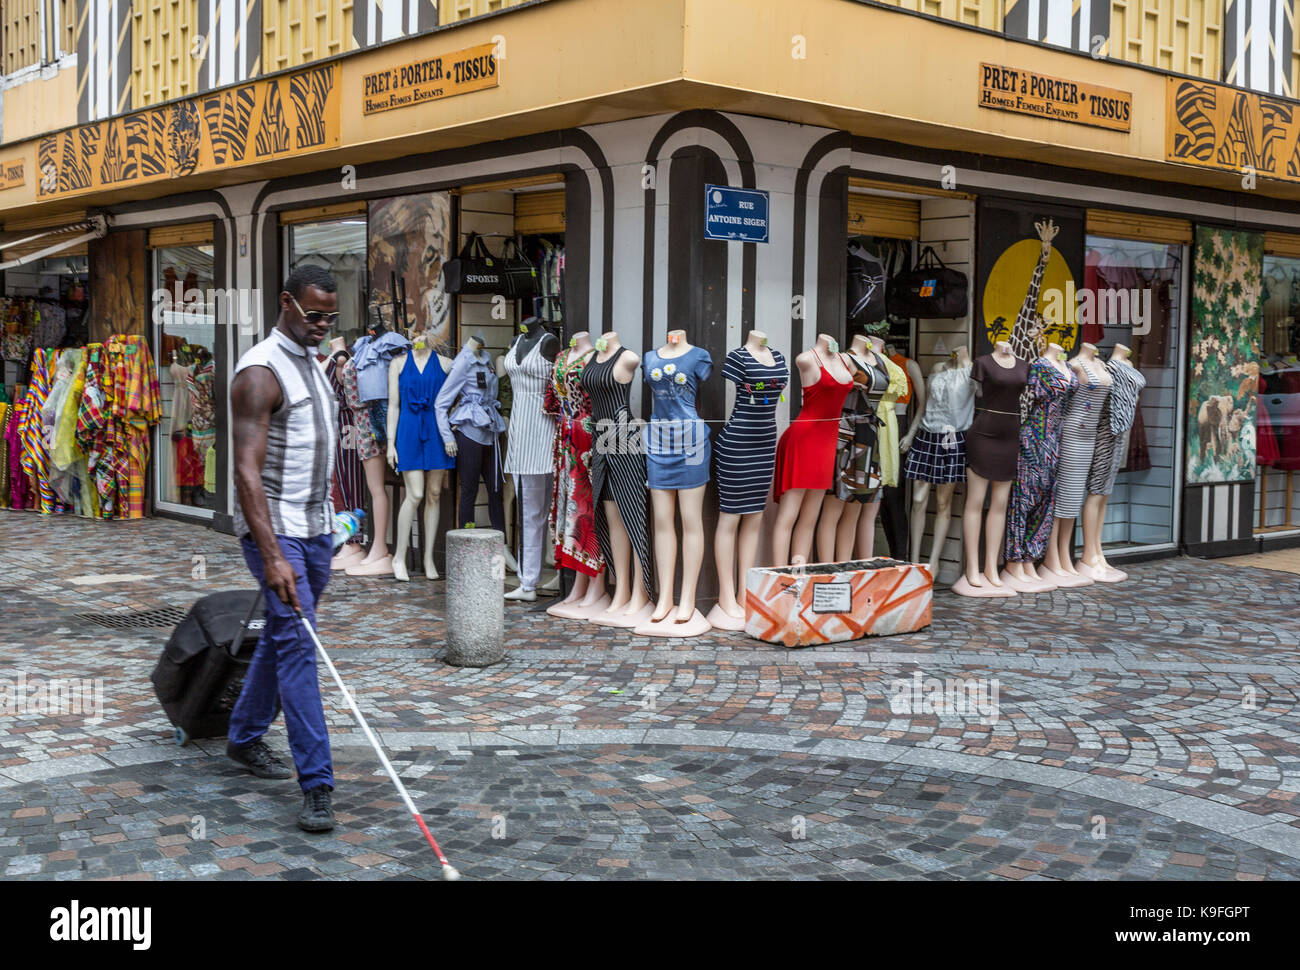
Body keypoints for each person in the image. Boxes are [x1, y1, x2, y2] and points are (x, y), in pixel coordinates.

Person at [226, 264, 341, 832]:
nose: (322, 324)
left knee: (281, 634)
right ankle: (317, 782)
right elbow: (246, 473)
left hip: (318, 529)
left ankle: (244, 736)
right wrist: (272, 556)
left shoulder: (314, 364)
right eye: (313, 314)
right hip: (277, 532)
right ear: (285, 302)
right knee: (300, 642)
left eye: (330, 316)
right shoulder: (259, 373)